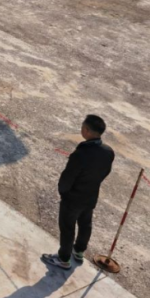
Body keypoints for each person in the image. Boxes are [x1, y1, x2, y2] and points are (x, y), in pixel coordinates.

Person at [43, 115, 116, 270]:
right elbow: (105, 172)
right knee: (85, 224)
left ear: (87, 131)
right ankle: (79, 251)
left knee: (68, 227)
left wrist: (63, 192)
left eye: (83, 127)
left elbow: (67, 177)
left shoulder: (80, 154)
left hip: (73, 198)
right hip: (90, 196)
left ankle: (64, 258)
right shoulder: (108, 152)